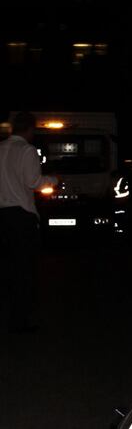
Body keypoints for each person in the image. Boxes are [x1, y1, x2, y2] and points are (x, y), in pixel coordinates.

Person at [0, 111, 56, 332]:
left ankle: (9, 315)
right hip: (21, 217)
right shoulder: (26, 150)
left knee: (7, 268)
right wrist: (53, 180)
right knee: (23, 270)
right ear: (30, 129)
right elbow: (34, 182)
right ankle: (20, 320)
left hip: (2, 216)